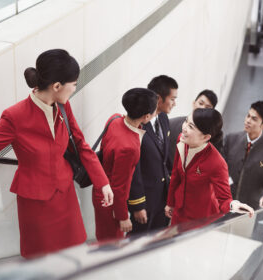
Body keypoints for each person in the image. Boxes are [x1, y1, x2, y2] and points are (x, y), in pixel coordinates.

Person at [0, 49, 113, 258]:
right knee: (42, 263)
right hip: (36, 204)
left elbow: (81, 146)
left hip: (65, 197)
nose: (74, 88)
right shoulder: (14, 117)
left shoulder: (63, 107)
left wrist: (103, 182)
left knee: (73, 257)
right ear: (56, 86)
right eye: (73, 84)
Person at [165, 108, 254, 225]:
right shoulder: (182, 140)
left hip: (201, 220)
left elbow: (224, 199)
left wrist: (234, 205)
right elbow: (176, 173)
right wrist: (170, 203)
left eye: (191, 126)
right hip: (179, 212)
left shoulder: (217, 163)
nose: (184, 128)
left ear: (206, 137)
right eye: (186, 121)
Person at [92, 88, 158, 241]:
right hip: (111, 201)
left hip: (100, 190)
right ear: (146, 116)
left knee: (102, 237)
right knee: (111, 244)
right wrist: (122, 216)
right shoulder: (129, 148)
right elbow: (119, 186)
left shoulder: (114, 119)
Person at [128, 75, 178, 234]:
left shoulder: (163, 118)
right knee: (137, 244)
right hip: (145, 202)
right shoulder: (138, 123)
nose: (174, 103)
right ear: (158, 98)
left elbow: (166, 158)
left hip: (162, 200)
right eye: (172, 99)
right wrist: (137, 205)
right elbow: (133, 168)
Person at [223, 101, 263, 210]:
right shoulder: (231, 139)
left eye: (254, 119)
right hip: (224, 205)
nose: (248, 121)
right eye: (248, 116)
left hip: (248, 211)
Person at [168, 90, 219, 168]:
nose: (202, 108)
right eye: (200, 103)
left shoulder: (214, 137)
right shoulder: (172, 124)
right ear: (193, 103)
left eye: (208, 107)